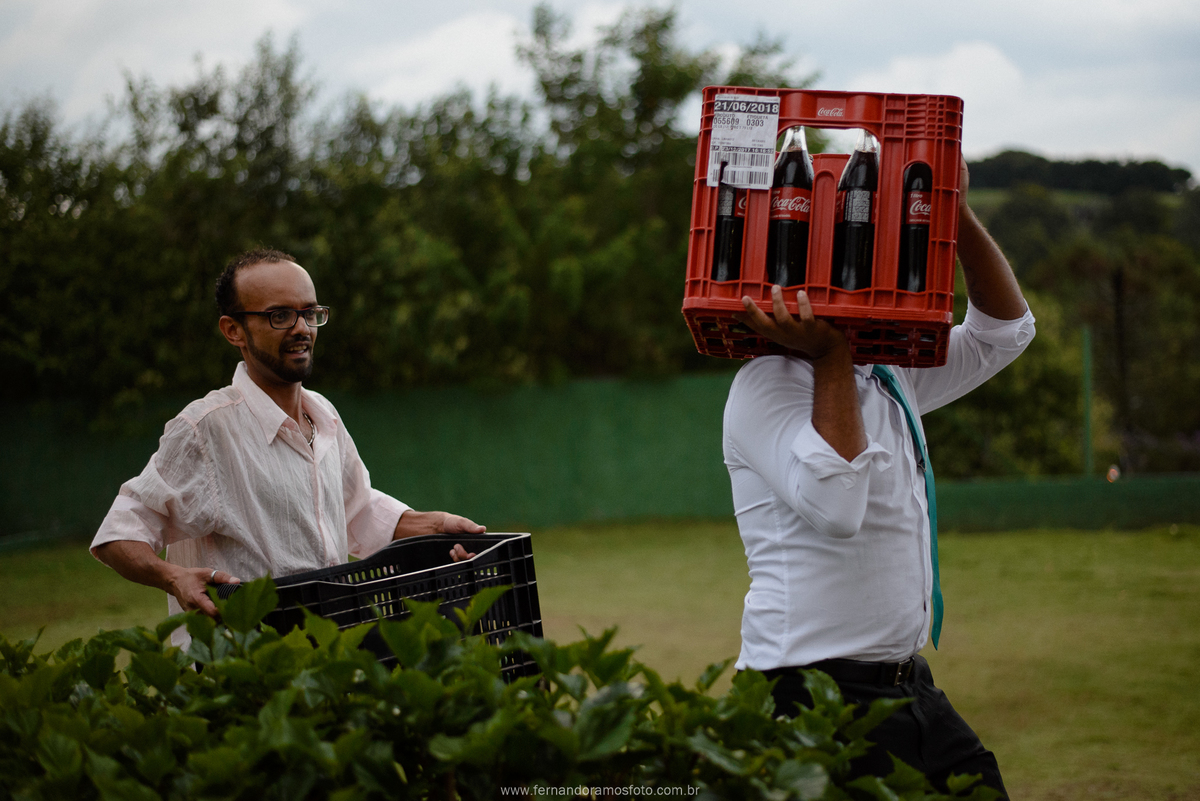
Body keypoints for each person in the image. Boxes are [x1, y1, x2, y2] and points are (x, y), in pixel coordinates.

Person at [724, 158, 1032, 796]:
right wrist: (830, 353)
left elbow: (1003, 334)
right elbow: (839, 506)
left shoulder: (887, 371)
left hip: (905, 685)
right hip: (807, 694)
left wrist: (955, 214)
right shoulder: (766, 382)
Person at [91, 249, 484, 644]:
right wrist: (173, 577)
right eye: (280, 316)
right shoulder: (206, 429)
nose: (301, 328)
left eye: (309, 313)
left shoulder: (324, 415)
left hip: (326, 656)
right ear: (233, 330)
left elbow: (356, 508)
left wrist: (436, 527)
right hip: (244, 665)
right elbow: (119, 534)